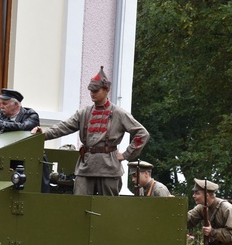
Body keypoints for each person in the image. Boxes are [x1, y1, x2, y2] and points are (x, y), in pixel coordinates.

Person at [31, 67, 148, 196]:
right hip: (86, 166)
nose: (92, 93)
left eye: (96, 90)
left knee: (107, 207)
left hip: (108, 168)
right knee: (80, 204)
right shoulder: (84, 113)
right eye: (91, 91)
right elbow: (64, 127)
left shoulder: (119, 113)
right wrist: (43, 134)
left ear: (106, 90)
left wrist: (126, 155)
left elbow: (142, 134)